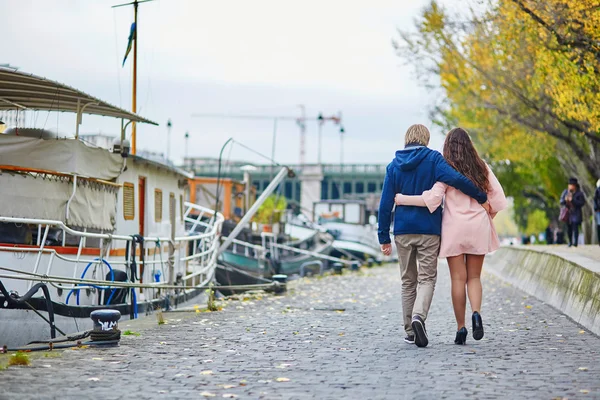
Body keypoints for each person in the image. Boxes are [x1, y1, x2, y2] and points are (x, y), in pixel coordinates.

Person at [378, 124, 488, 348]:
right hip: (429, 230)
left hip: (402, 231)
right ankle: (419, 316)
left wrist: (383, 237)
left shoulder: (393, 166)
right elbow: (456, 179)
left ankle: (410, 330)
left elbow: (385, 203)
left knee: (408, 281)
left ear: (407, 139)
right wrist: (479, 194)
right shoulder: (434, 159)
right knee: (426, 279)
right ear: (426, 139)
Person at [560, 178, 586, 247]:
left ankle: (575, 242)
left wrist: (573, 200)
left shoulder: (579, 193)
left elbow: (582, 203)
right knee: (569, 228)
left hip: (576, 212)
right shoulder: (565, 192)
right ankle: (570, 241)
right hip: (568, 213)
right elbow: (561, 201)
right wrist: (565, 200)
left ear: (575, 186)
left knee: (575, 227)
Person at [594, 179, 600, 246]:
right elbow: (595, 200)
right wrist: (596, 208)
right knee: (599, 225)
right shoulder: (597, 191)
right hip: (599, 210)